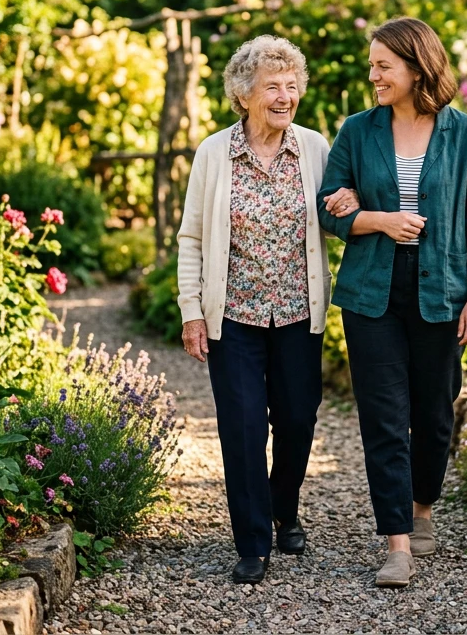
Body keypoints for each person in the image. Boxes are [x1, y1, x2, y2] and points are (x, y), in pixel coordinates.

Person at [318, 17, 467, 587]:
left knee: (435, 412)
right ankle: (397, 543)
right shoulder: (357, 130)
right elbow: (329, 208)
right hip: (371, 293)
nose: (372, 75)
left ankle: (423, 509)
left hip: (441, 290)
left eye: (382, 66)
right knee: (384, 417)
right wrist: (375, 219)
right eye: (372, 64)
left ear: (417, 67)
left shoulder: (466, 134)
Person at [176, 35, 332, 585]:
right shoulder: (214, 154)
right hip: (234, 315)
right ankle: (252, 540)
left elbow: (339, 209)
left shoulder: (315, 149)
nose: (285, 96)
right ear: (244, 94)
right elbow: (192, 236)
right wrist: (192, 310)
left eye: (292, 85)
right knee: (242, 427)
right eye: (273, 86)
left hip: (297, 312)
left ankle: (283, 509)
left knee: (296, 420)